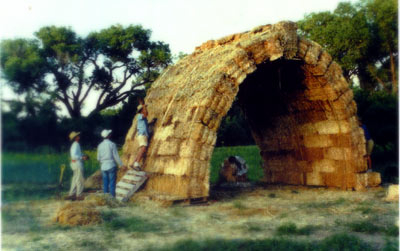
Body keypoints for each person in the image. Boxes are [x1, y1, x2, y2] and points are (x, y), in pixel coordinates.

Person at [97, 129, 125, 197]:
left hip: (103, 166)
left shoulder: (100, 145)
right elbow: (116, 156)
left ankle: (105, 199)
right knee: (112, 183)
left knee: (105, 183)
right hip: (111, 165)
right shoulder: (112, 144)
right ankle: (112, 198)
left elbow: (98, 158)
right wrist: (121, 165)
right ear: (109, 136)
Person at [133, 99, 156, 170]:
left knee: (141, 149)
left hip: (142, 134)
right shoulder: (140, 115)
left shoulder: (142, 118)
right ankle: (136, 164)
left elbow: (145, 124)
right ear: (141, 110)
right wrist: (143, 106)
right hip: (142, 134)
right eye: (143, 109)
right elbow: (146, 114)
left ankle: (133, 163)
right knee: (143, 148)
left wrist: (151, 122)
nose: (145, 109)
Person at [65, 131, 88, 200]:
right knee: (79, 179)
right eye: (78, 135)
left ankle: (72, 194)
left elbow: (76, 155)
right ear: (75, 138)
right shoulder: (76, 144)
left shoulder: (75, 144)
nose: (79, 136)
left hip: (75, 163)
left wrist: (83, 155)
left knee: (75, 179)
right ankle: (79, 195)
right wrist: (82, 157)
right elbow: (74, 156)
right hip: (77, 163)